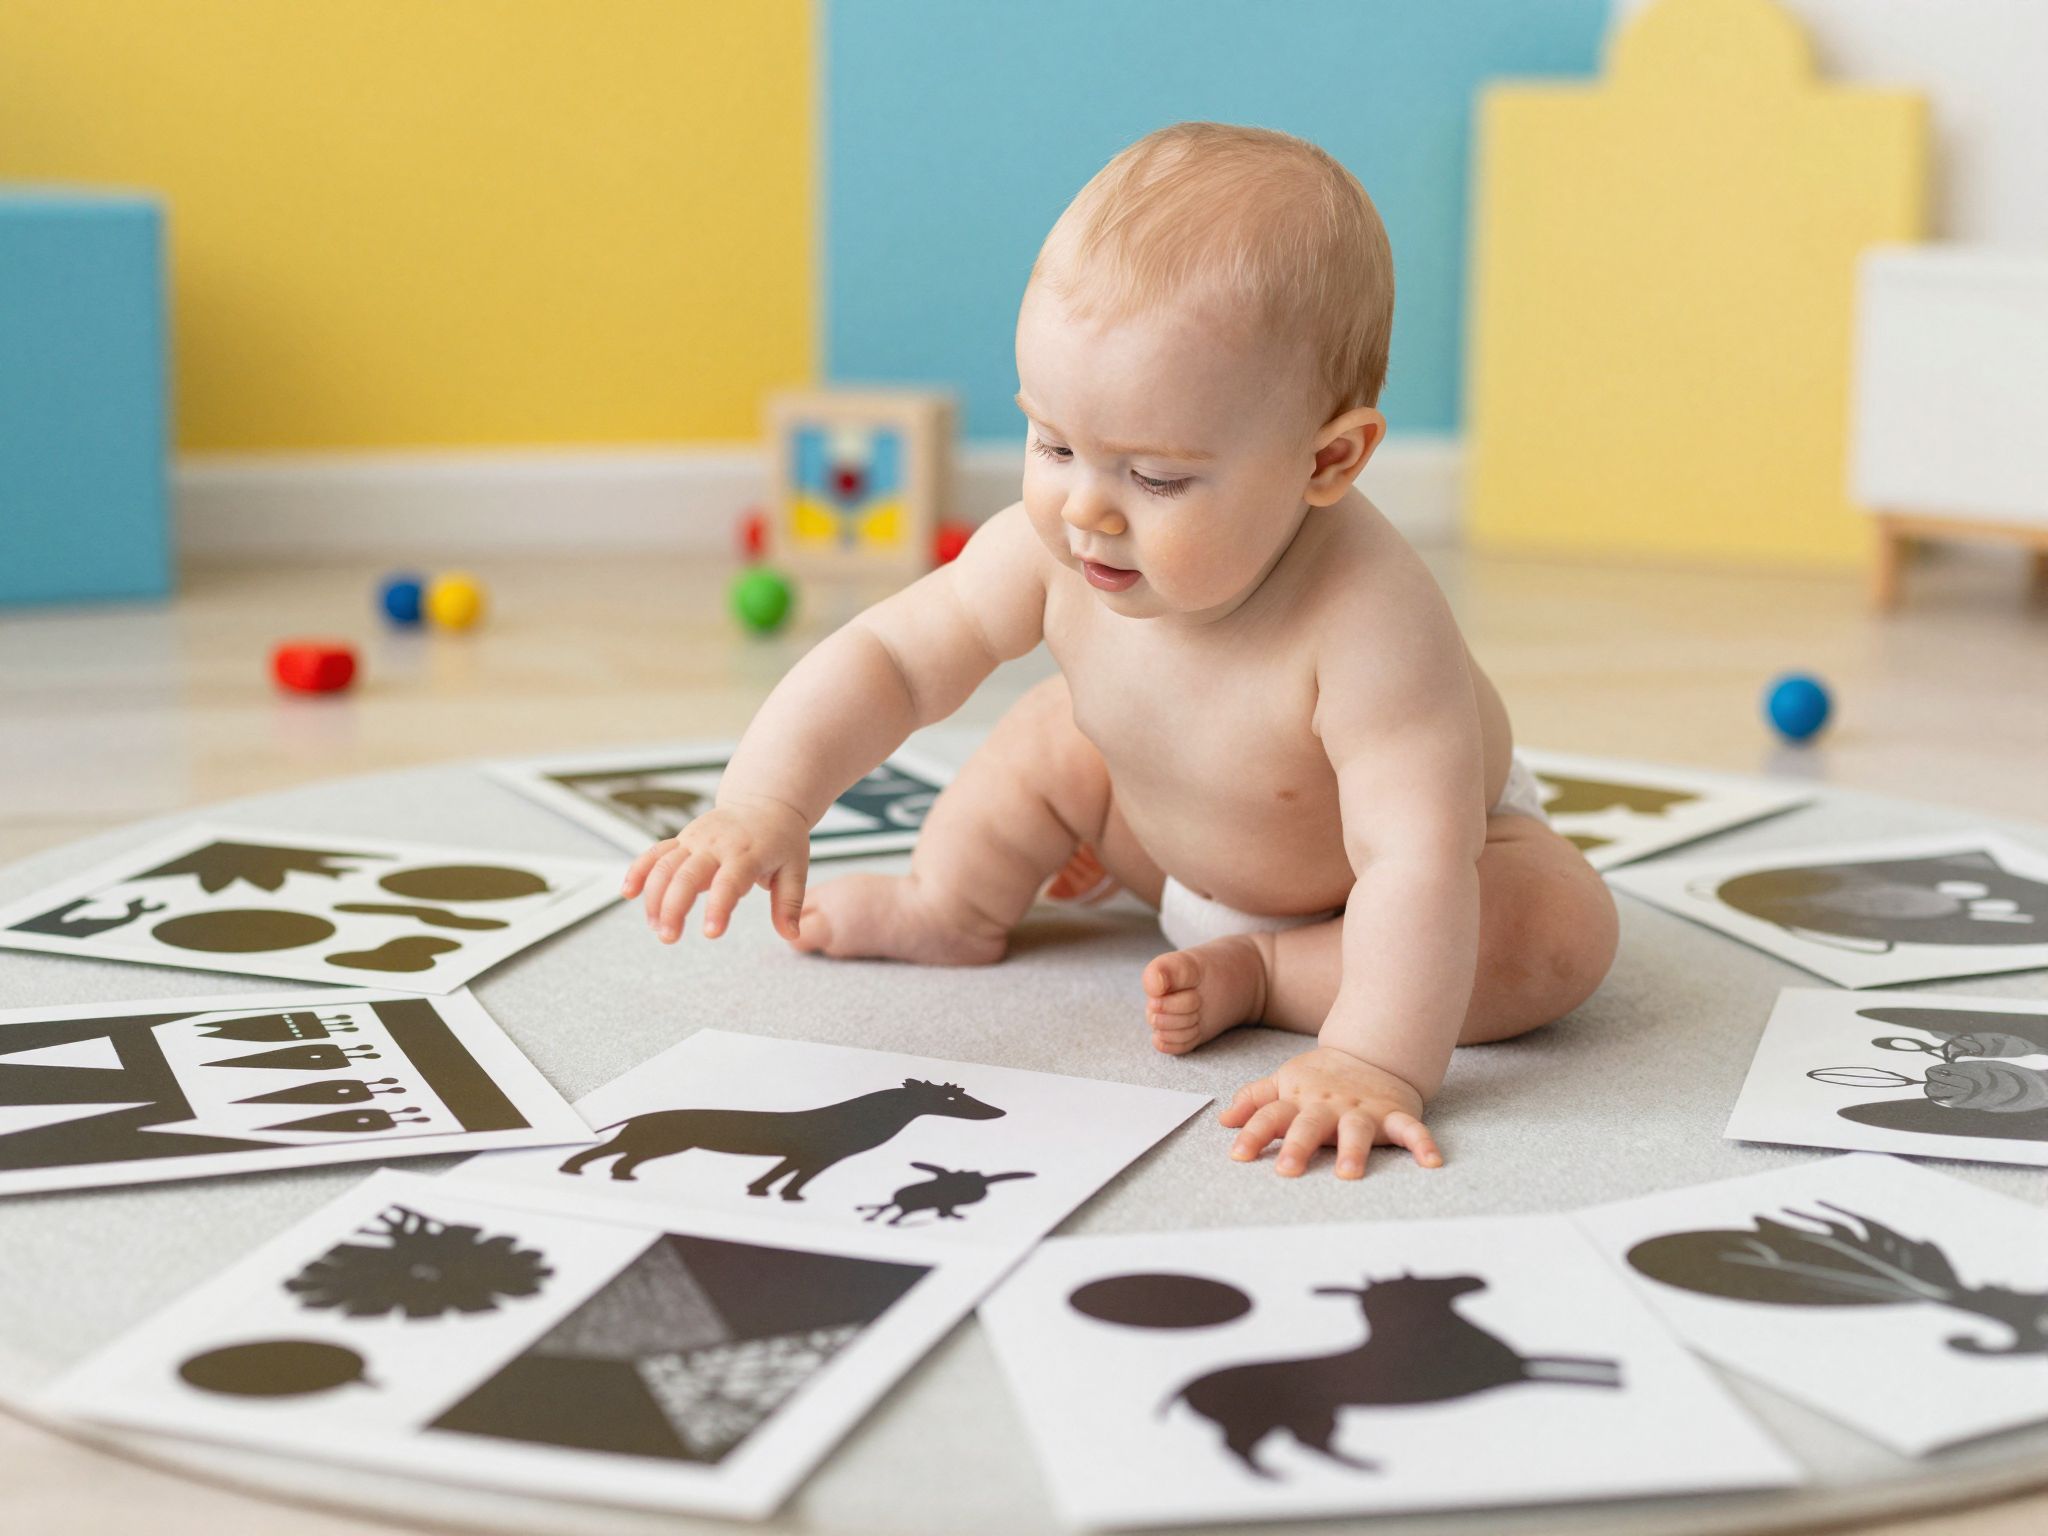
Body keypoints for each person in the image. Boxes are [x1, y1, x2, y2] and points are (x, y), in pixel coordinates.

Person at [624, 122, 1618, 1180]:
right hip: (1162, 831)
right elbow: (893, 660)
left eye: (1153, 477)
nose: (1084, 510)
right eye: (1051, 444)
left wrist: (1371, 1058)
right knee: (1050, 732)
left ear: (1327, 459)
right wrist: (764, 803)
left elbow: (1408, 859)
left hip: (1368, 889)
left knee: (1554, 936)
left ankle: (1273, 976)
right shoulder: (1050, 546)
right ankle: (948, 903)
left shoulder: (1371, 620)